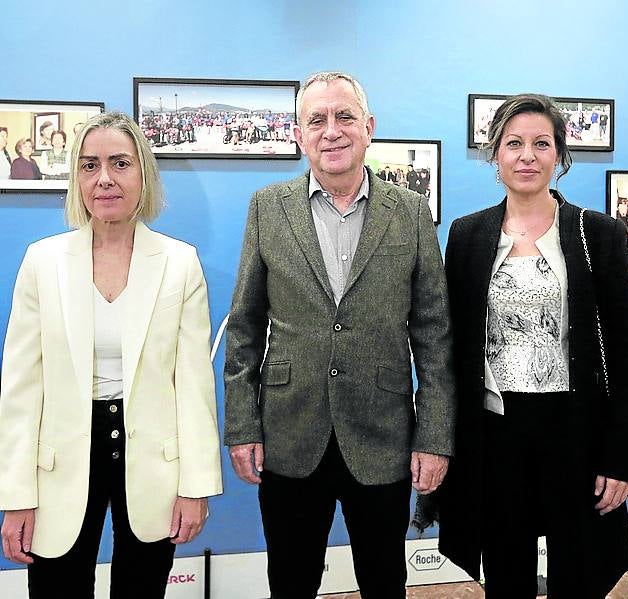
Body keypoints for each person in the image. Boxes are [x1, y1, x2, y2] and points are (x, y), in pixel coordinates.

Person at [224, 71, 455, 599]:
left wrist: (434, 436)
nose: (332, 130)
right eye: (317, 120)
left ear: (368, 128)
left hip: (382, 434)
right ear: (299, 135)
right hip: (289, 433)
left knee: (383, 580)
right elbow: (243, 328)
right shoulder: (267, 207)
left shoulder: (411, 212)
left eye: (344, 116)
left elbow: (435, 336)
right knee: (291, 579)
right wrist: (242, 426)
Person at [0, 112, 222, 598]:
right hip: (58, 466)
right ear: (76, 179)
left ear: (143, 174)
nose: (104, 178)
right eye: (89, 165)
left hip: (152, 465)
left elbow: (193, 385)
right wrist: (16, 496)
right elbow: (20, 390)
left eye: (120, 163)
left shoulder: (179, 263)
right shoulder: (43, 262)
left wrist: (196, 483)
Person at [436, 93, 628, 598]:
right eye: (514, 143)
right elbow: (453, 347)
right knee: (505, 570)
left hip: (576, 430)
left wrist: (624, 453)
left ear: (559, 156)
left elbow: (626, 349)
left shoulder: (598, 233)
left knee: (581, 572)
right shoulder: (467, 236)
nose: (527, 155)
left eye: (541, 144)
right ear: (496, 156)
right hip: (495, 433)